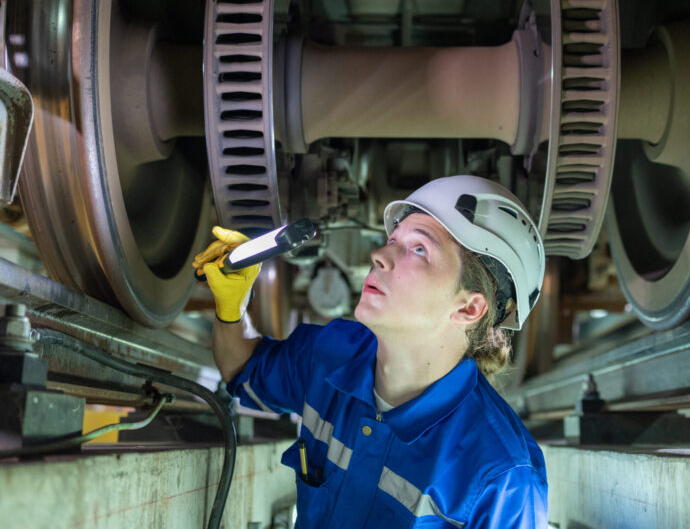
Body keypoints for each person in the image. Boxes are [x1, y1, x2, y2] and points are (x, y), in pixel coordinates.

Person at [194, 175, 548, 528]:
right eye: (392, 240)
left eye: (419, 249)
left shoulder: (504, 478)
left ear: (469, 309)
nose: (379, 255)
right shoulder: (332, 354)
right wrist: (232, 305)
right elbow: (242, 367)